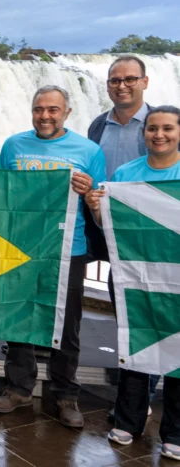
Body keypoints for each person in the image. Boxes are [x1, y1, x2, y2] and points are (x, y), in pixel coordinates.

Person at [0, 85, 105, 428]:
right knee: (20, 320)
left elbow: (101, 205)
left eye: (53, 110)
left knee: (66, 326)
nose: (45, 116)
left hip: (69, 250)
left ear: (67, 113)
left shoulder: (89, 151)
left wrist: (89, 195)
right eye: (39, 109)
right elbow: (0, 195)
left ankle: (66, 395)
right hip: (22, 249)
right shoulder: (13, 145)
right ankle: (19, 388)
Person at [86, 105, 180, 461]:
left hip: (177, 276)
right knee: (136, 340)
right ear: (144, 135)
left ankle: (175, 431)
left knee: (179, 350)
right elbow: (106, 223)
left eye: (167, 128)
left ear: (179, 132)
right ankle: (128, 420)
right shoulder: (126, 173)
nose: (159, 135)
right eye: (152, 129)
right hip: (136, 274)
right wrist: (97, 208)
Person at [85, 55, 161, 414]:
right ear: (108, 86)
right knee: (120, 303)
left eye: (130, 79)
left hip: (144, 232)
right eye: (115, 80)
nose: (122, 85)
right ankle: (133, 378)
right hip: (99, 221)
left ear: (144, 82)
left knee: (145, 307)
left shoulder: (160, 124)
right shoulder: (98, 126)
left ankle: (143, 390)